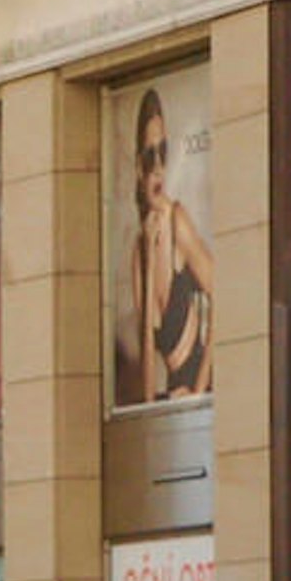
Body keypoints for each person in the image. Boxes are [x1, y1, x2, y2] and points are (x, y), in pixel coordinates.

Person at [123, 87, 217, 403]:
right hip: (173, 398)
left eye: (164, 151)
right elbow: (146, 346)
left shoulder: (178, 220)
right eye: (151, 156)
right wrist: (151, 411)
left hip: (200, 391)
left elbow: (223, 295)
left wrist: (200, 388)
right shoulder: (139, 251)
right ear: (138, 167)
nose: (159, 167)